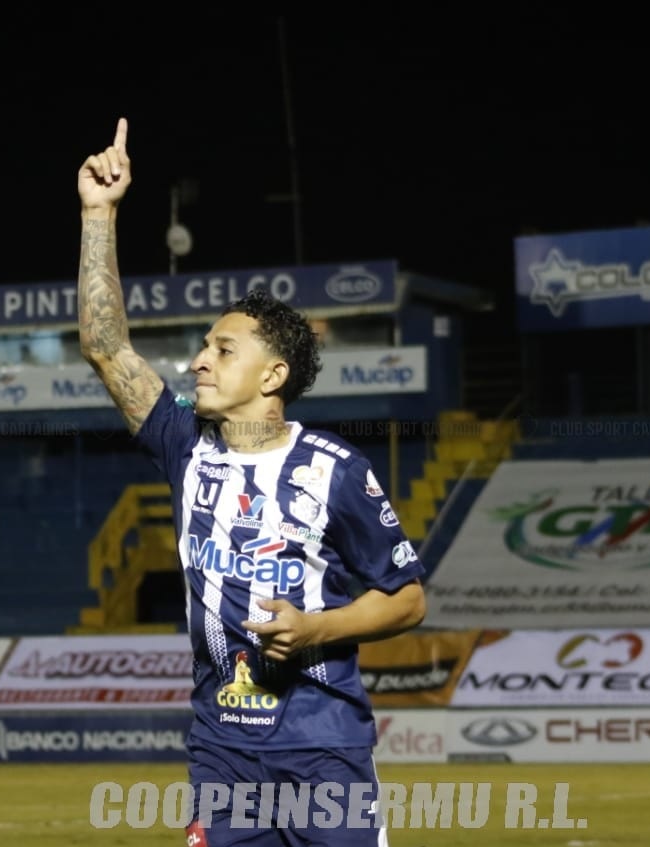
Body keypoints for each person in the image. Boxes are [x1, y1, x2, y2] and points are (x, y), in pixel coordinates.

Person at [76, 118, 427, 844]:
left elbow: (409, 598)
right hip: (222, 753)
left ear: (272, 375)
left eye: (221, 348)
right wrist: (98, 216)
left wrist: (319, 627)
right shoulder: (184, 442)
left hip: (322, 746)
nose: (201, 360)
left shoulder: (335, 470)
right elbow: (107, 347)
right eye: (204, 346)